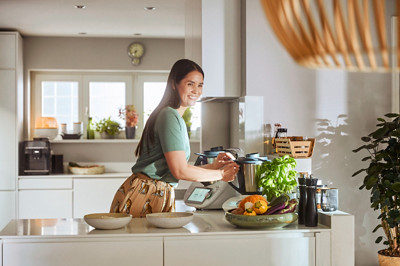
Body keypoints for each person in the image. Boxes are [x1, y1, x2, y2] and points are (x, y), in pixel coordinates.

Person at [110, 59, 239, 217]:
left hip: (148, 192)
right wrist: (221, 175)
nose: (196, 91)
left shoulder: (171, 115)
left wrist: (214, 167)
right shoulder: (169, 116)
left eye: (200, 85)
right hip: (146, 194)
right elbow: (179, 171)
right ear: (174, 84)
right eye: (190, 84)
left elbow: (176, 169)